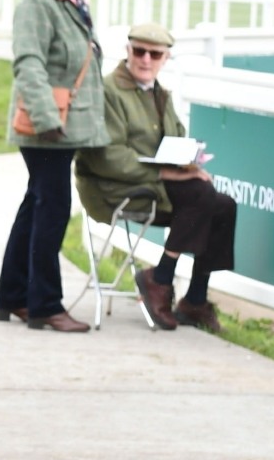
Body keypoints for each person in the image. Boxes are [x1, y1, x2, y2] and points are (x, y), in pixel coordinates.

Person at [75, 22, 237, 333]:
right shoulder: (108, 91)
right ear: (127, 51)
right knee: (201, 194)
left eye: (155, 54)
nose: (146, 59)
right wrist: (167, 173)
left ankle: (195, 299)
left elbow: (176, 140)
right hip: (114, 188)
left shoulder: (160, 92)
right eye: (139, 51)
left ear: (165, 58)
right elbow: (108, 157)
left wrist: (189, 167)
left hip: (154, 186)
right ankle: (160, 278)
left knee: (223, 206)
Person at [0, 0, 110, 333]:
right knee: (53, 210)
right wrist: (46, 120)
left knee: (37, 205)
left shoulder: (71, 0)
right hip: (47, 129)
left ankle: (12, 296)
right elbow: (29, 63)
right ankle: (44, 304)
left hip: (60, 127)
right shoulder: (38, 3)